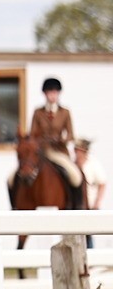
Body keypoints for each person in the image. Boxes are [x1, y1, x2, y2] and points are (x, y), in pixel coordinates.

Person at [29, 77, 84, 208]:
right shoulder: (38, 112)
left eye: (55, 92)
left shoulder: (65, 112)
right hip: (42, 152)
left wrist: (61, 140)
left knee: (76, 176)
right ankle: (16, 206)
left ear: (58, 93)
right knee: (14, 178)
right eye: (50, 92)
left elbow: (71, 135)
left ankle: (78, 206)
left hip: (59, 152)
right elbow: (32, 134)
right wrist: (42, 140)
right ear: (45, 94)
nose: (52, 95)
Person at [75, 139, 107, 249]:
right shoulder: (73, 164)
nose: (76, 153)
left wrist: (97, 203)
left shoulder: (93, 164)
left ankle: (90, 261)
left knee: (88, 234)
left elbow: (102, 183)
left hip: (90, 205)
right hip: (76, 206)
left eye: (78, 150)